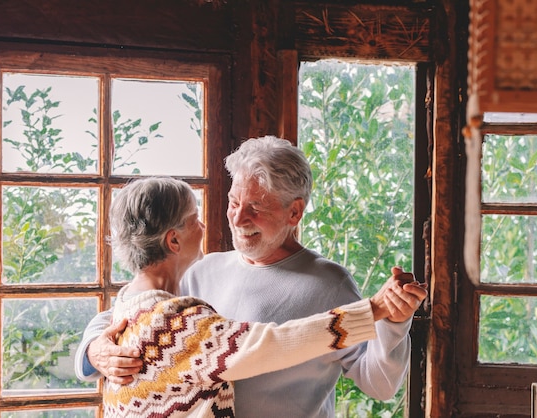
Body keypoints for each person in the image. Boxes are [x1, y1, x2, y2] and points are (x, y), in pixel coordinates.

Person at [75, 136, 428, 417]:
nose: (238, 218)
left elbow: (380, 386)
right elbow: (133, 312)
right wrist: (93, 350)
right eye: (233, 202)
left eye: (256, 208)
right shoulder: (201, 269)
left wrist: (392, 322)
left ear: (295, 212)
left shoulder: (329, 283)